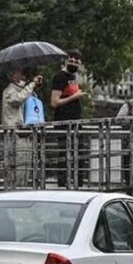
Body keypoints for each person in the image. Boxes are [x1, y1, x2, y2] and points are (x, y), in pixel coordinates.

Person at [2, 69, 43, 187]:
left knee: (25, 165)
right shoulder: (9, 91)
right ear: (12, 76)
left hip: (23, 133)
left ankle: (22, 187)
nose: (23, 76)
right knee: (17, 166)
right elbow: (18, 99)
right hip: (15, 135)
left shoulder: (22, 91)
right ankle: (15, 189)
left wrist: (33, 88)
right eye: (20, 73)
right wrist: (32, 85)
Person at [50, 49, 85, 187]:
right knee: (64, 153)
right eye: (71, 60)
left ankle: (78, 181)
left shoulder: (74, 77)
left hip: (76, 121)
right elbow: (54, 102)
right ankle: (63, 182)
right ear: (66, 60)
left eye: (76, 61)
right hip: (64, 121)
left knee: (80, 152)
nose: (73, 63)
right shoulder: (60, 77)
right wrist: (74, 97)